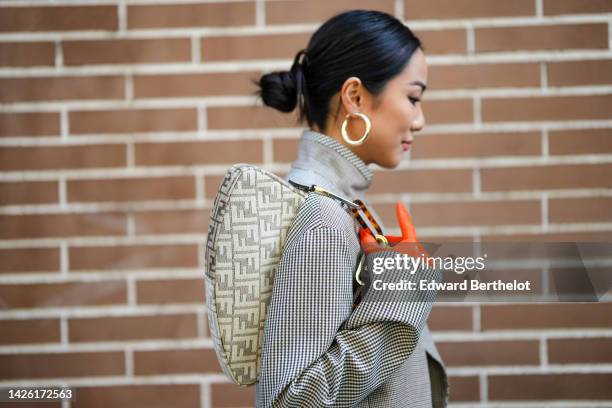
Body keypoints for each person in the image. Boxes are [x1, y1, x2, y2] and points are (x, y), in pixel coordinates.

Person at [253, 9, 448, 407]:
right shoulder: (323, 218)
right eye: (412, 98)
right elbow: (290, 400)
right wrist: (403, 289)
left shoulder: (342, 206)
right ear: (355, 97)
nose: (420, 120)